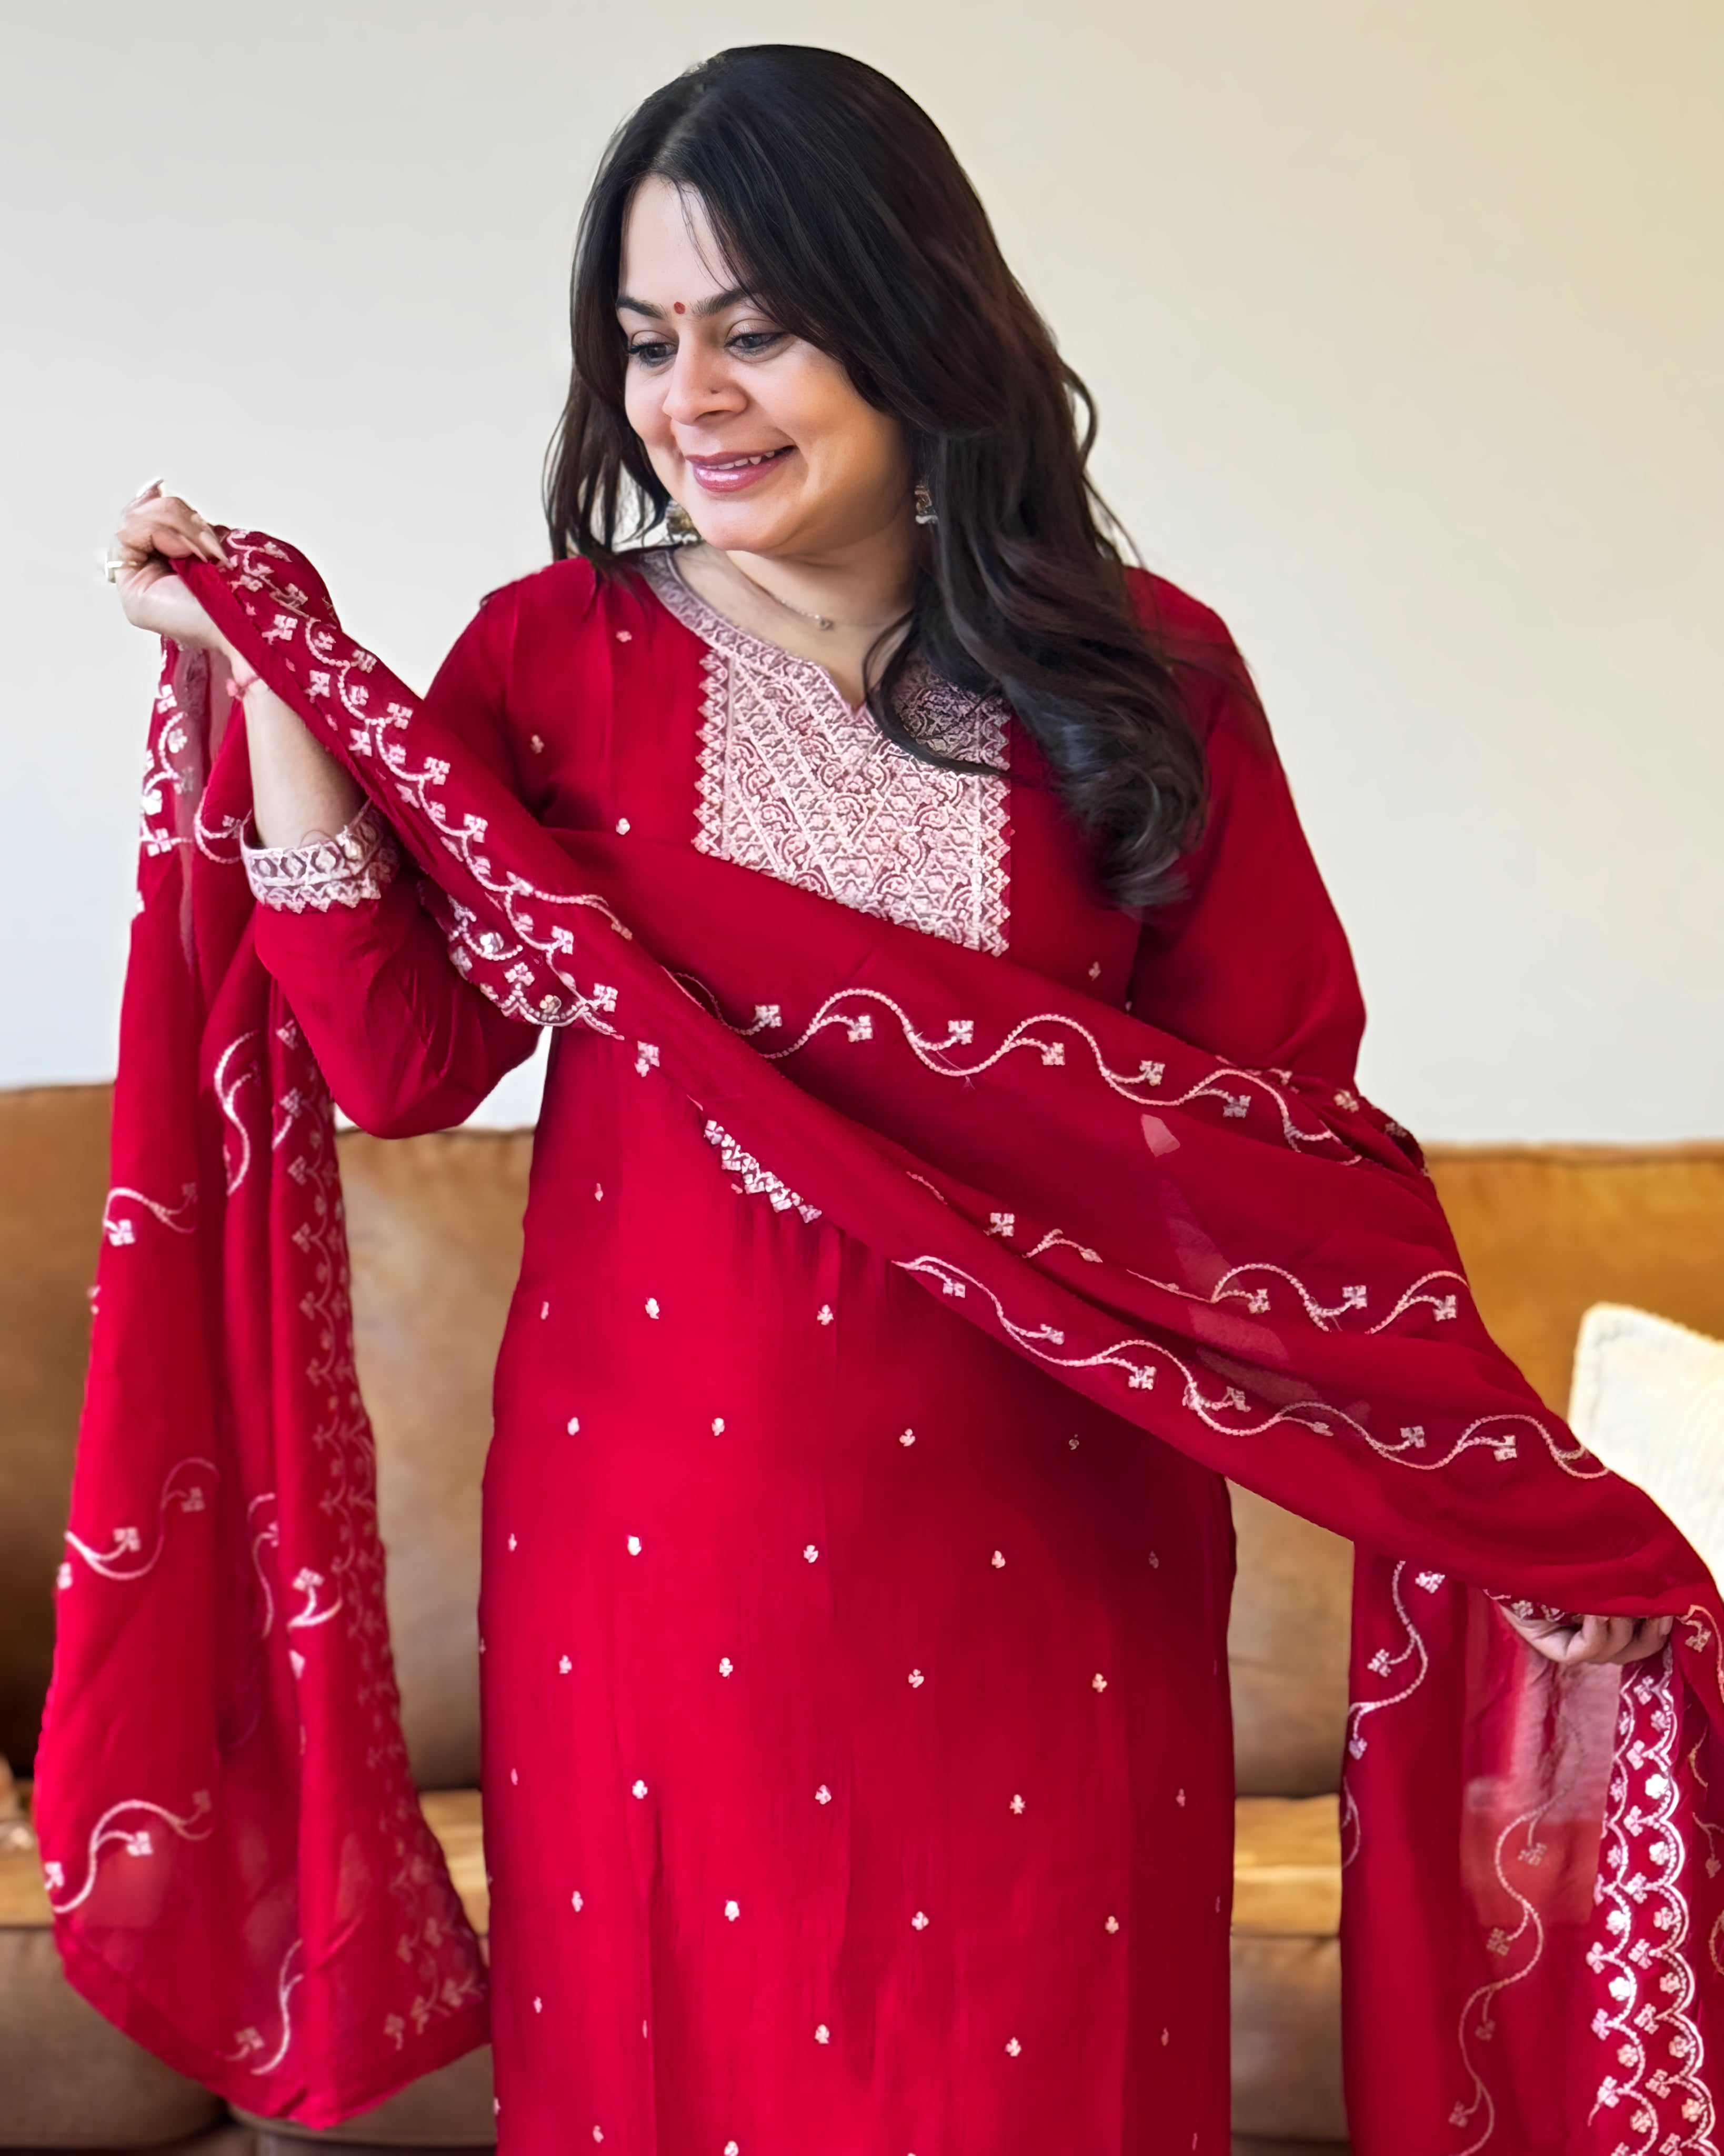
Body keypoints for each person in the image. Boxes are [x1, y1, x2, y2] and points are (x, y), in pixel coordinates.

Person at [75, 43, 1698, 2156]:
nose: (694, 395)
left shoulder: (1140, 676)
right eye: (649, 341)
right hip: (665, 1568)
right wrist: (275, 689)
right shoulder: (554, 663)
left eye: (760, 326)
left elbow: (1281, 1148)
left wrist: (1491, 1481)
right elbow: (395, 1062)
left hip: (1055, 1570)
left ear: (920, 318)